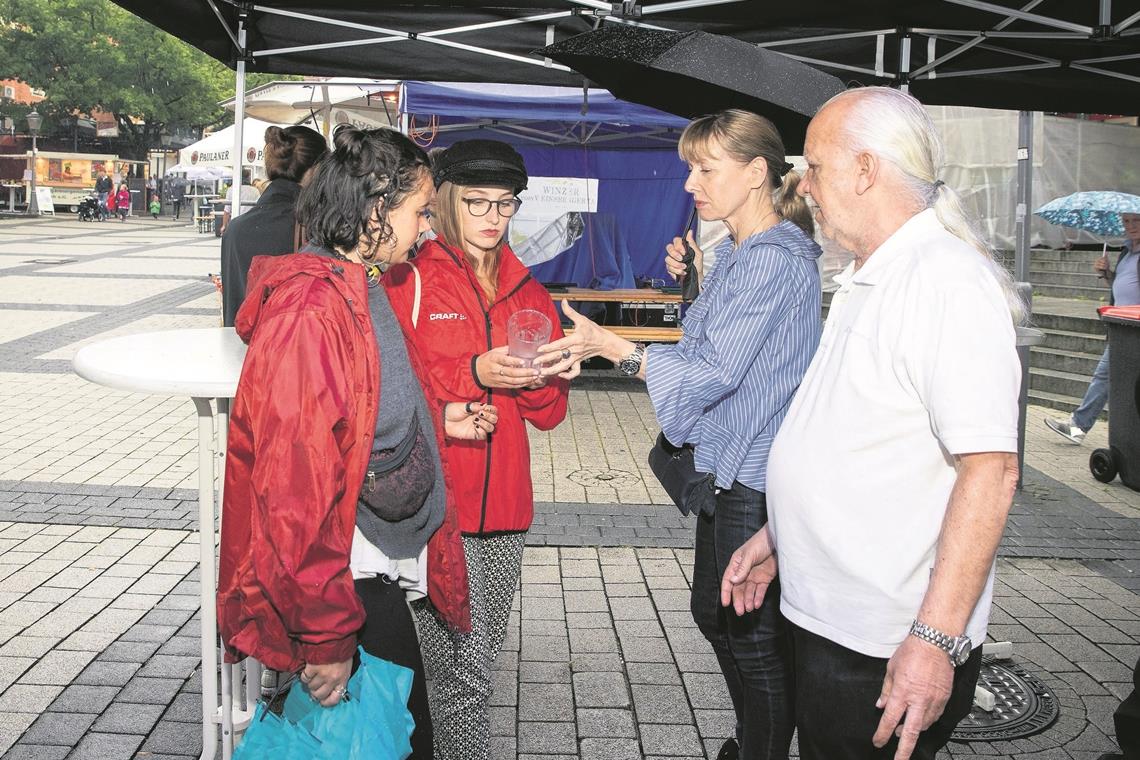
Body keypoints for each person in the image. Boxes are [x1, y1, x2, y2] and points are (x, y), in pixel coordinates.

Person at [721, 86, 1024, 760]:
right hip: (833, 621)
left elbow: (991, 472)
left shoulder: (944, 281)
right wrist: (780, 536)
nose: (804, 185)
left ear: (865, 171)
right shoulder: (872, 273)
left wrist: (936, 642)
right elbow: (854, 438)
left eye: (816, 167)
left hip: (884, 640)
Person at [535, 109, 820, 760]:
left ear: (754, 174)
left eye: (704, 169)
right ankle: (756, 737)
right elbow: (722, 344)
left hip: (753, 474)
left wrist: (615, 347)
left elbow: (714, 369)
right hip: (734, 467)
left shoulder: (769, 257)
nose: (690, 183)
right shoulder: (752, 252)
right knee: (716, 614)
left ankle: (762, 747)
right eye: (691, 167)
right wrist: (694, 277)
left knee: (749, 635)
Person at [217, 126, 497, 759]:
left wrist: (435, 420)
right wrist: (325, 640)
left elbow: (360, 404)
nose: (427, 227)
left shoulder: (359, 281)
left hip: (364, 568)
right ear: (376, 207)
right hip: (346, 577)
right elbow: (295, 487)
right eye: (419, 211)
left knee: (400, 732)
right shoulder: (313, 309)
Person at [384, 139, 569, 760]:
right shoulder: (407, 281)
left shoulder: (529, 293)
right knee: (450, 674)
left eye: (505, 204)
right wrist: (474, 371)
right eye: (477, 202)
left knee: (468, 671)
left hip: (505, 516)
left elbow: (549, 416)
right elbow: (388, 394)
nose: (493, 216)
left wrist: (544, 376)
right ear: (443, 203)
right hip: (432, 511)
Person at [1045, 212, 1140, 443]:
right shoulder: (1127, 252)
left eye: (1136, 220)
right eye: (1126, 221)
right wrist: (1107, 274)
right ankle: (1079, 427)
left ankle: (1078, 427)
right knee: (1107, 378)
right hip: (1122, 327)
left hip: (1135, 328)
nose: (1130, 226)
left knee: (1106, 377)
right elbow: (1124, 285)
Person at [220, 125, 328, 326]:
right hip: (294, 350)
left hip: (240, 351)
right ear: (316, 170)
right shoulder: (317, 226)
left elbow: (232, 307)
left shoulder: (234, 229)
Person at [220, 168, 261, 234]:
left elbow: (227, 210)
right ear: (248, 177)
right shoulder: (255, 190)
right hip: (251, 223)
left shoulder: (231, 190)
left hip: (236, 223)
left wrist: (224, 225)